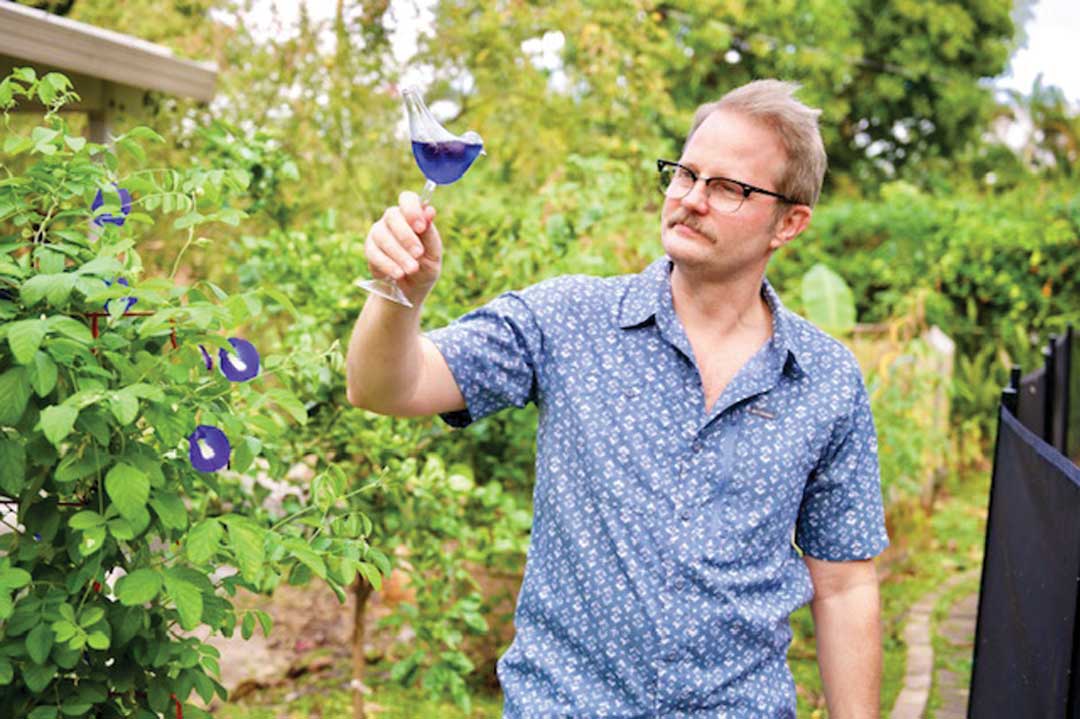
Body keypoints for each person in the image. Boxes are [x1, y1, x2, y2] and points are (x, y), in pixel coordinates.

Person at [346, 79, 888, 718]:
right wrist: (398, 295)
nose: (690, 199)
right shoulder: (567, 319)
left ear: (789, 222)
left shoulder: (825, 379)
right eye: (685, 174)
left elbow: (845, 586)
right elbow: (385, 386)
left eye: (727, 188)